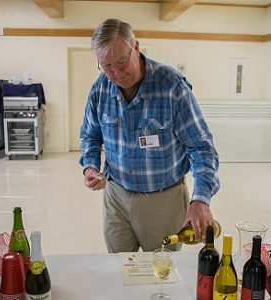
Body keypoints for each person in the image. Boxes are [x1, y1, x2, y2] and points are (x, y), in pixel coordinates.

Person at [80, 18, 220, 253]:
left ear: (135, 47)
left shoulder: (171, 86)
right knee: (120, 270)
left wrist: (201, 199)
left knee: (161, 277)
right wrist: (90, 167)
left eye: (122, 62)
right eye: (106, 66)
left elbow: (201, 148)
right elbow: (90, 135)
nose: (116, 73)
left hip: (163, 200)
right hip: (116, 196)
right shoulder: (100, 88)